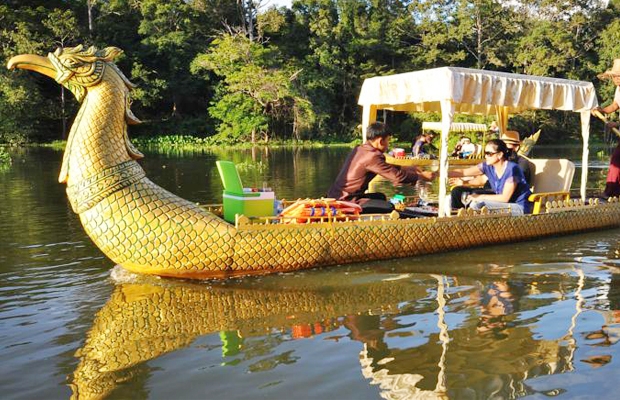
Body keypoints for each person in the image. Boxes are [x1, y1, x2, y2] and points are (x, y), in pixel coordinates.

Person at [327, 122, 435, 213]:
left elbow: (388, 168)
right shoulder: (372, 156)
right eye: (388, 140)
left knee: (380, 197)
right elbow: (398, 177)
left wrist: (412, 169)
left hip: (341, 196)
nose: (388, 144)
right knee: (389, 207)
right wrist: (421, 176)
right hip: (347, 200)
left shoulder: (361, 149)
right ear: (380, 141)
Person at [450, 131, 534, 210]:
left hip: (515, 204)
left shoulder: (515, 167)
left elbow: (505, 197)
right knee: (458, 192)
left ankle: (474, 224)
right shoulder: (490, 165)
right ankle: (457, 221)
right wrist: (439, 172)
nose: (486, 156)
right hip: (498, 197)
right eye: (485, 153)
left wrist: (480, 196)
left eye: (489, 154)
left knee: (477, 203)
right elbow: (464, 172)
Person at [592, 59, 620, 198]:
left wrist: (617, 124)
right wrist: (602, 110)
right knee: (616, 161)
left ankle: (611, 192)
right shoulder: (619, 89)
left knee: (617, 160)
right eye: (615, 76)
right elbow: (615, 106)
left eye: (619, 76)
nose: (616, 79)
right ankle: (612, 192)